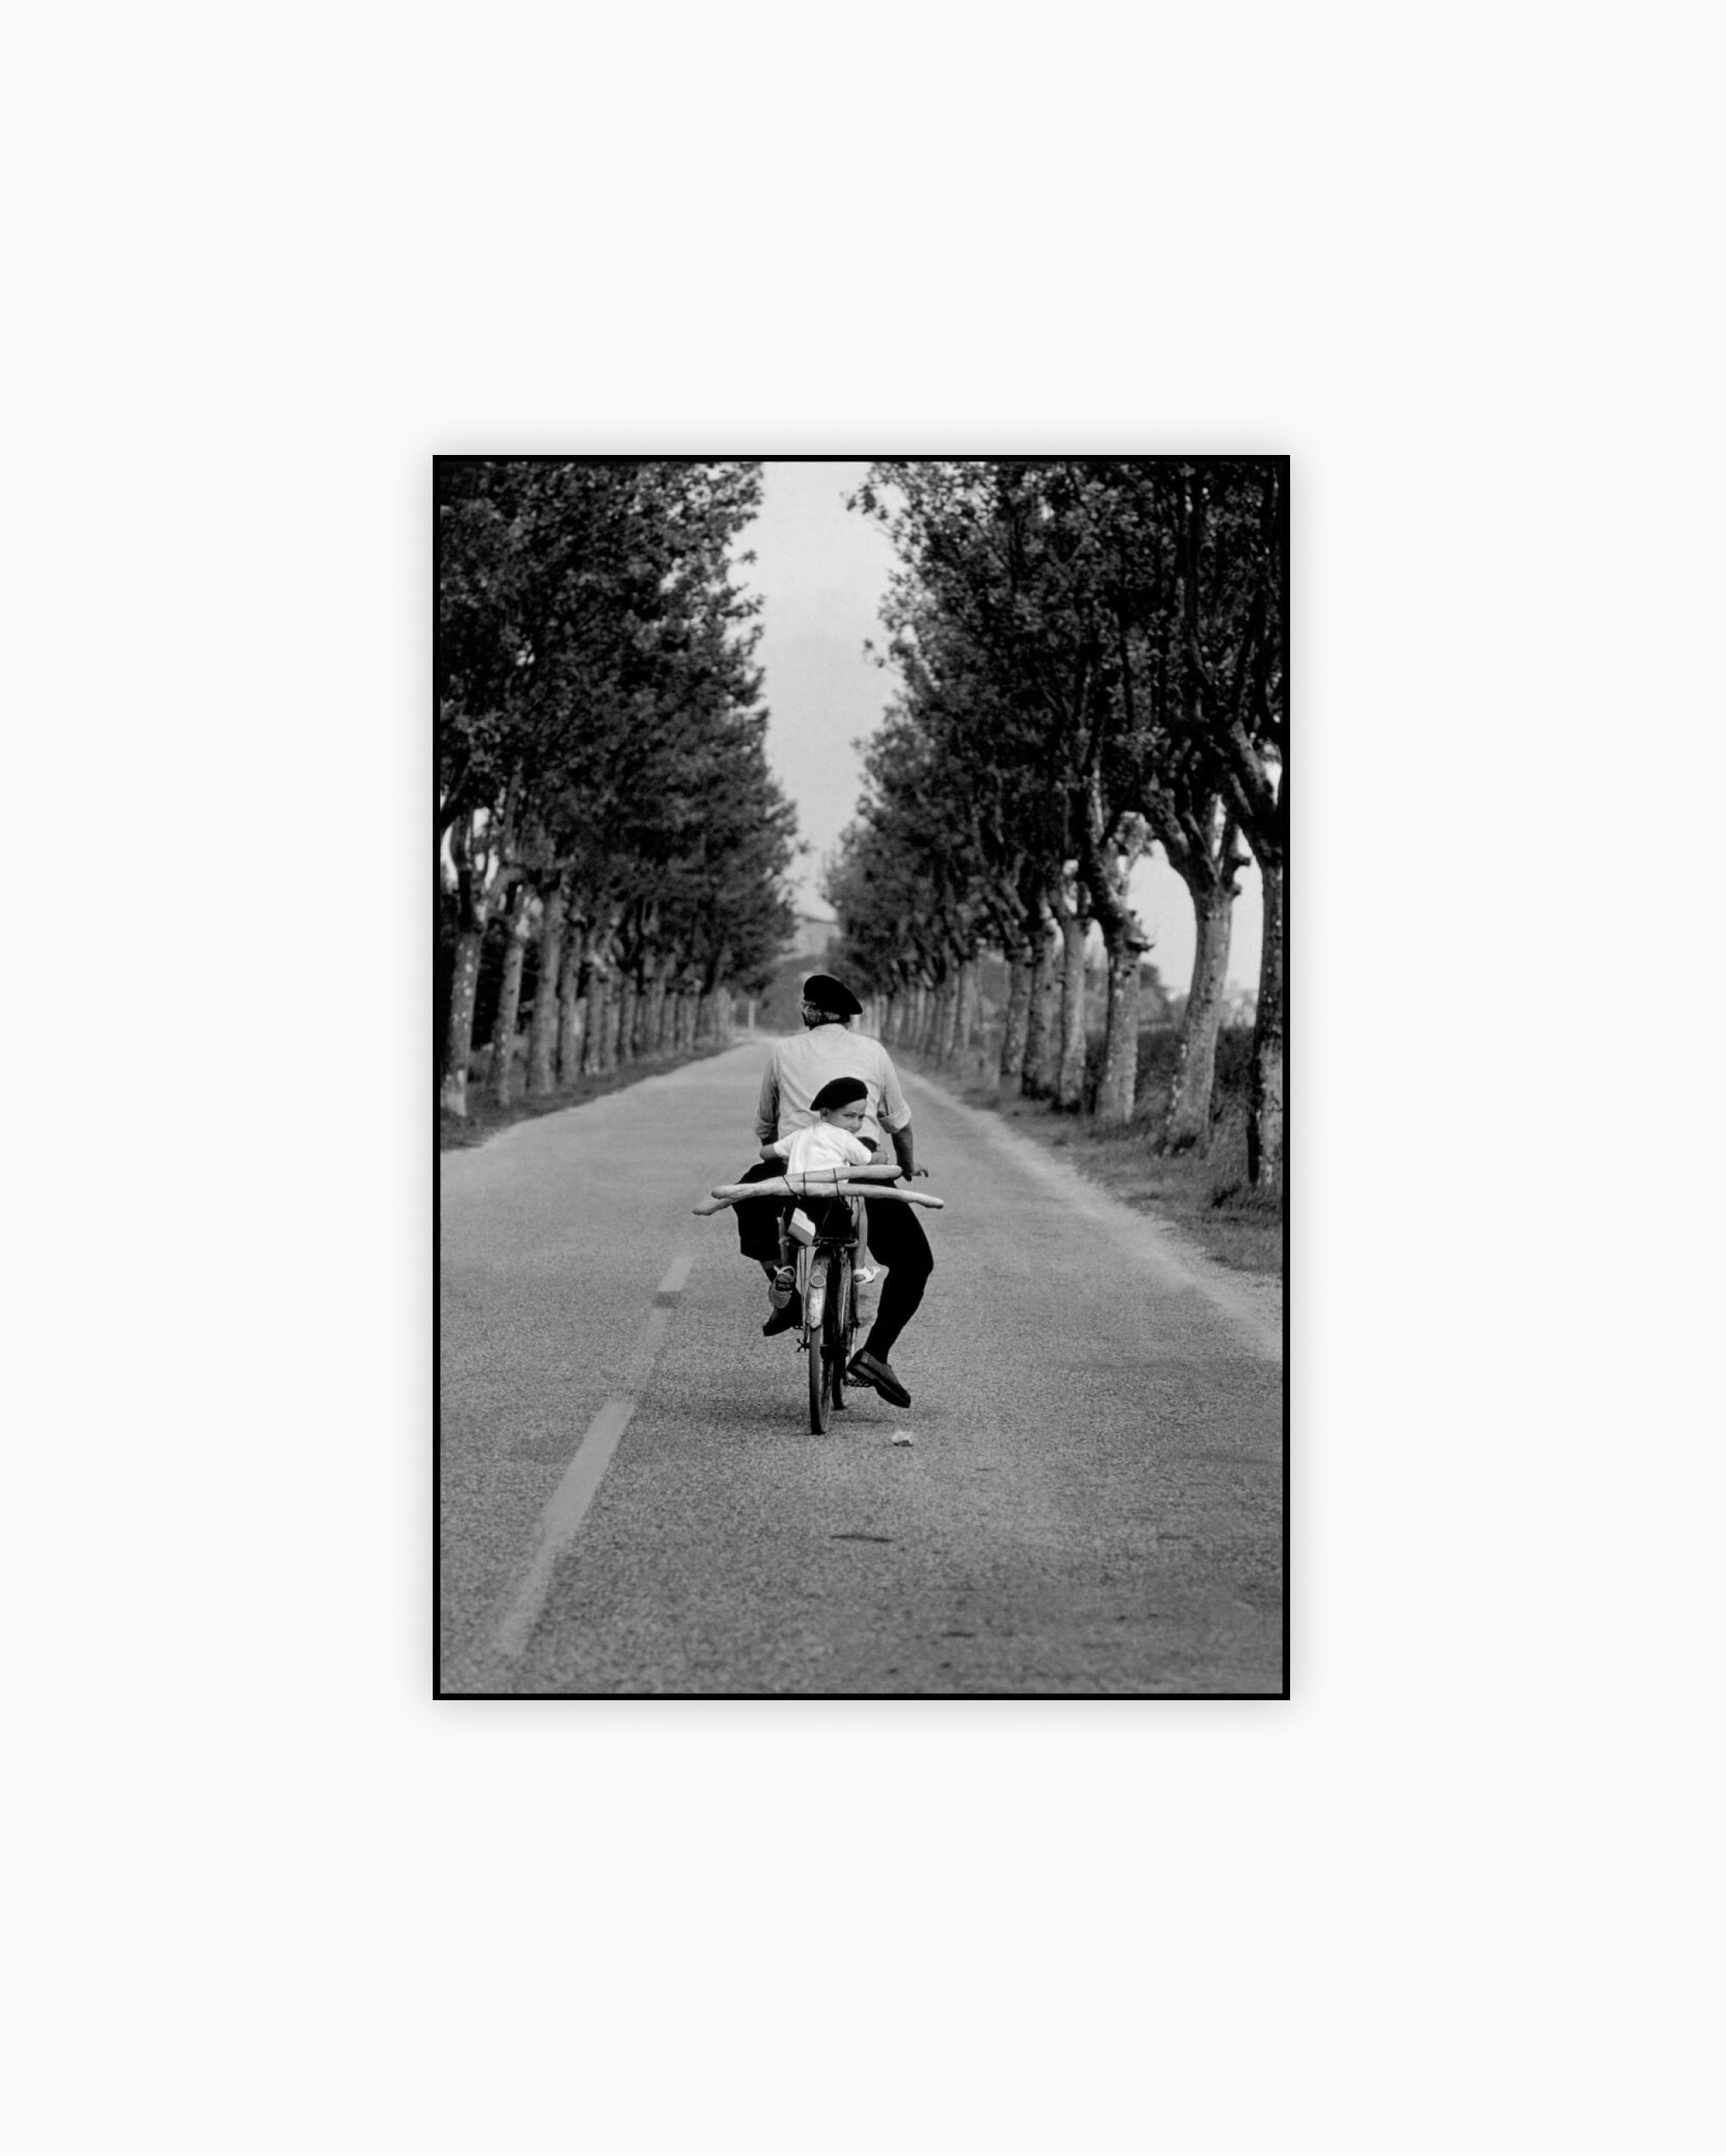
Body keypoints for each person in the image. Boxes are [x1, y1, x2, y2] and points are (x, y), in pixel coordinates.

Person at [733, 971, 932, 1410]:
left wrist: (785, 1151)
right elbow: (899, 1121)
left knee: (748, 1198)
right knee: (915, 1262)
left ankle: (785, 1290)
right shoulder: (873, 1052)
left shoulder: (783, 1051)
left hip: (796, 1174)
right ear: (848, 1018)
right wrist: (907, 1164)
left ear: (807, 1011)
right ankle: (876, 1355)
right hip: (858, 1175)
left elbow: (765, 1125)